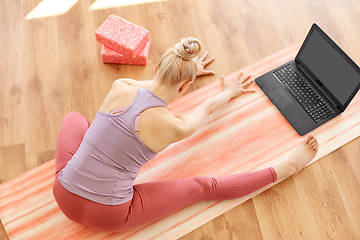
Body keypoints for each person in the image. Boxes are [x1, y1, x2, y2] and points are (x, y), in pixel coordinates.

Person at [53, 37, 319, 232]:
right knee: (201, 188)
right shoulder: (177, 126)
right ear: (187, 85)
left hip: (62, 194)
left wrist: (181, 74)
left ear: (157, 68)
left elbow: (154, 88)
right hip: (110, 216)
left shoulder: (121, 85)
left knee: (75, 119)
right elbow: (208, 105)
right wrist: (228, 90)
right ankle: (288, 167)